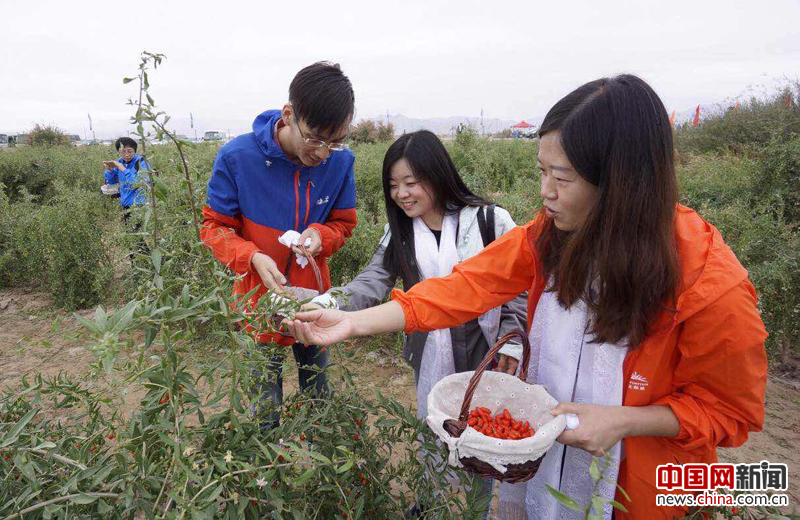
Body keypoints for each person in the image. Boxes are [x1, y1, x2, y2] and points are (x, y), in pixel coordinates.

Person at [283, 75, 768, 519]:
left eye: (562, 178)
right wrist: (353, 321)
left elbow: (732, 413)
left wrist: (624, 421)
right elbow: (464, 287)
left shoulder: (709, 280)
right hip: (544, 467)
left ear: (622, 182)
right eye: (542, 173)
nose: (545, 193)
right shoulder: (550, 238)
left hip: (645, 491)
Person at [308, 130, 527, 517]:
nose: (402, 194)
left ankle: (475, 509)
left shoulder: (490, 221)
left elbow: (519, 288)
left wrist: (512, 340)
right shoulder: (401, 230)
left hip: (484, 352)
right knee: (434, 426)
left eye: (411, 182)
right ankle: (431, 498)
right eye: (394, 185)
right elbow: (373, 280)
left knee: (480, 438)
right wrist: (328, 303)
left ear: (438, 175)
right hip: (429, 352)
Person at [200, 61, 357, 428]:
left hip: (313, 300)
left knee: (318, 393)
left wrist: (322, 235)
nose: (322, 153)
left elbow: (344, 224)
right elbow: (213, 227)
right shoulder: (238, 158)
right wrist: (251, 257)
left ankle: (321, 465)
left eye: (336, 141)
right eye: (315, 138)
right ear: (288, 115)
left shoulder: (340, 162)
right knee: (264, 401)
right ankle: (263, 469)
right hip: (257, 302)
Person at [102, 137, 148, 216]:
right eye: (122, 151)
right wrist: (110, 171)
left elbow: (137, 182)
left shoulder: (142, 163)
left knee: (138, 227)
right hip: (125, 203)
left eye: (130, 151)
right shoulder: (120, 162)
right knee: (129, 227)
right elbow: (112, 182)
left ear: (135, 151)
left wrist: (123, 169)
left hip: (139, 204)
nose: (126, 155)